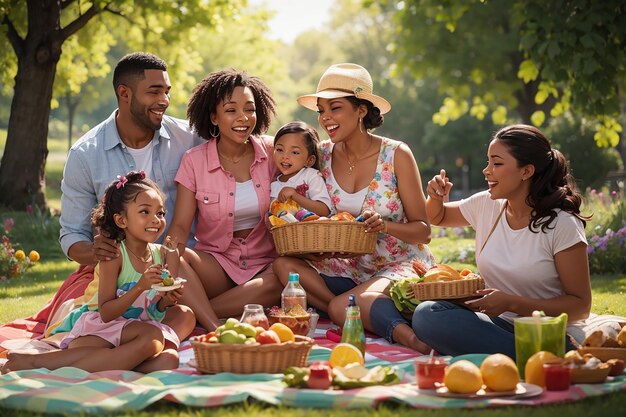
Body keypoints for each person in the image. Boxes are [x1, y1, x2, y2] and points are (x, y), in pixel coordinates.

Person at [39, 52, 223, 333]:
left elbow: (240, 142)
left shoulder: (190, 138)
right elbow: (72, 235)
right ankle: (203, 325)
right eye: (154, 91)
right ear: (124, 93)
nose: (164, 100)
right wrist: (96, 252)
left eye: (167, 91)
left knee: (174, 255)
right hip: (122, 272)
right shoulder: (86, 154)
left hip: (183, 266)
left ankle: (203, 322)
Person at [273, 63, 436, 352]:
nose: (325, 118)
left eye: (335, 108)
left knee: (341, 305)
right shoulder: (319, 154)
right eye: (321, 110)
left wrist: (384, 225)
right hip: (345, 268)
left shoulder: (396, 154)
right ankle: (350, 309)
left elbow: (423, 232)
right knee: (284, 266)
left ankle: (408, 338)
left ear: (361, 110)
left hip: (396, 264)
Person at [412, 124, 592, 358]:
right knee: (428, 313)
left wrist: (511, 303)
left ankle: (547, 354)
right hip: (498, 325)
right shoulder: (487, 205)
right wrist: (435, 197)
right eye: (488, 162)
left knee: (435, 322)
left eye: (496, 163)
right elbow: (439, 216)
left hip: (546, 330)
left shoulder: (562, 224)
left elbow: (580, 306)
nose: (487, 171)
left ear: (526, 171)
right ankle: (534, 357)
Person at [2, 172, 195, 373]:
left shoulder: (160, 254)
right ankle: (34, 362)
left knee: (176, 340)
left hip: (139, 325)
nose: (156, 219)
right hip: (104, 327)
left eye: (160, 213)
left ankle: (117, 359)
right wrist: (140, 286)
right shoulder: (114, 255)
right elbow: (106, 312)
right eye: (145, 212)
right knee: (153, 338)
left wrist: (166, 301)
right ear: (121, 220)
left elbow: (153, 308)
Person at [166, 69, 282, 318]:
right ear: (214, 118)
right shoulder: (194, 161)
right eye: (231, 110)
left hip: (265, 267)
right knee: (176, 255)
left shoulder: (273, 152)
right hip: (216, 264)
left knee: (283, 276)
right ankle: (219, 319)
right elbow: (180, 225)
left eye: (249, 109)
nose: (243, 118)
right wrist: (169, 261)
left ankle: (200, 311)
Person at [270, 121, 331, 217]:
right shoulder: (273, 186)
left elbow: (324, 210)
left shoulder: (311, 176)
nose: (285, 156)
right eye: (280, 150)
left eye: (295, 152)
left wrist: (294, 195)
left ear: (310, 160)